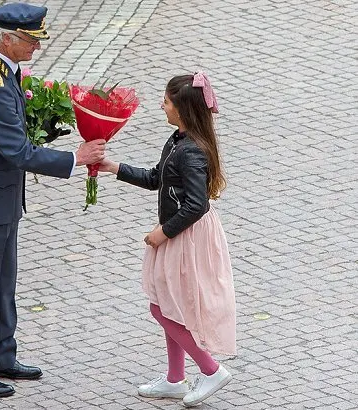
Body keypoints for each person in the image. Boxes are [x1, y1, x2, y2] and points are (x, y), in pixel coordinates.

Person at [0, 2, 106, 399]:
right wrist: (75, 159)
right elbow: (17, 152)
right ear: (8, 38)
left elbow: (15, 132)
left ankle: (1, 355)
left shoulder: (0, 69)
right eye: (31, 41)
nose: (37, 48)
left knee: (2, 283)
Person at [98, 72, 236, 407]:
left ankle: (210, 369)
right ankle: (175, 378)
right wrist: (112, 166)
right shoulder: (178, 140)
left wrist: (162, 233)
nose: (162, 104)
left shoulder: (190, 151)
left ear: (183, 108)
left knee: (164, 309)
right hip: (179, 233)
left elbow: (196, 204)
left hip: (186, 237)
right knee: (166, 304)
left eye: (167, 100)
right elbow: (156, 178)